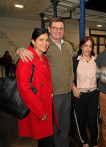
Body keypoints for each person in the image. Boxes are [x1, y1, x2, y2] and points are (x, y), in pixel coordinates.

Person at [17, 18, 74, 147]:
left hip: (67, 92)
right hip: (51, 96)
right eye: (54, 28)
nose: (58, 31)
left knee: (65, 125)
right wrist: (20, 50)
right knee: (50, 130)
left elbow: (73, 64)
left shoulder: (68, 46)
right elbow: (28, 57)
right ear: (49, 29)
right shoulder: (45, 47)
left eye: (61, 28)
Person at [16, 28, 58, 147]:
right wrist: (39, 111)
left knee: (47, 140)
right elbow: (24, 88)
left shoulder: (44, 59)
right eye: (41, 40)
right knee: (46, 141)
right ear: (33, 41)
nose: (45, 43)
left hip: (47, 105)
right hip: (37, 108)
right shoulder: (26, 59)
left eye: (47, 40)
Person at [72, 36, 99, 147]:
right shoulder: (74, 61)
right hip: (79, 95)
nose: (88, 48)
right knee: (81, 121)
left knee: (93, 122)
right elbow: (69, 76)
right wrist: (73, 86)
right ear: (81, 47)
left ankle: (94, 143)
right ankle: (84, 141)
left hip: (93, 95)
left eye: (90, 46)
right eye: (85, 46)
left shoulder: (96, 60)